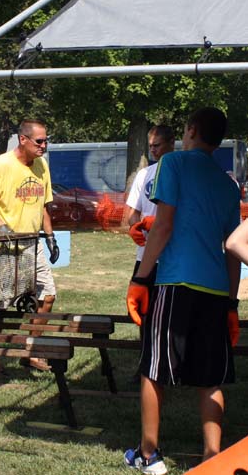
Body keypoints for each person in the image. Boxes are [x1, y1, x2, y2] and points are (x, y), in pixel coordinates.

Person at [124, 107, 241, 474]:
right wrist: (232, 303)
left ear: (190, 130)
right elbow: (234, 248)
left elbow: (163, 225)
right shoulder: (228, 184)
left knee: (154, 369)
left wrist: (141, 278)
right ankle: (212, 458)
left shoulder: (172, 164)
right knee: (210, 378)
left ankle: (148, 455)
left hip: (174, 282)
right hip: (215, 289)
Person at [0, 119, 60, 374]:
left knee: (47, 296)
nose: (44, 146)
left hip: (32, 243)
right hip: (3, 245)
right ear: (23, 139)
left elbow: (43, 205)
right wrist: (2, 227)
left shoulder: (42, 165)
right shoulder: (1, 166)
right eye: (39, 141)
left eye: (46, 140)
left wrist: (50, 237)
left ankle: (29, 351)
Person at [124, 125, 175, 383]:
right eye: (150, 146)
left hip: (173, 256)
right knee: (143, 313)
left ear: (172, 143)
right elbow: (130, 213)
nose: (153, 150)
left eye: (157, 145)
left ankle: (169, 364)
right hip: (145, 256)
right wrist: (134, 226)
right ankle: (145, 365)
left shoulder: (179, 171)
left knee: (170, 315)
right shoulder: (145, 174)